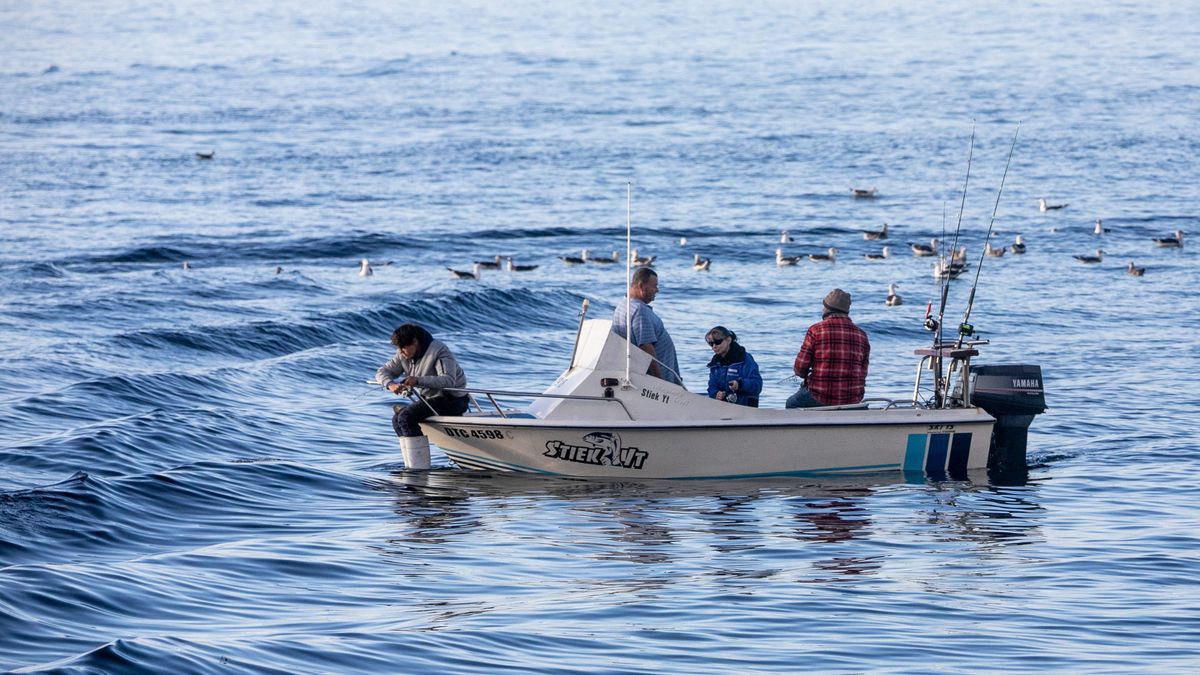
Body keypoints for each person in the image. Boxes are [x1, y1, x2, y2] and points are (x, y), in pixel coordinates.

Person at [375, 323, 470, 468]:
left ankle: (419, 470)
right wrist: (390, 384)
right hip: (430, 399)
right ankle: (412, 465)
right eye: (398, 349)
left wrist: (418, 380)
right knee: (397, 419)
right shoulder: (403, 354)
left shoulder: (439, 351)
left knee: (406, 417)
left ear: (414, 341)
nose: (400, 352)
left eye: (403, 348)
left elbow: (449, 380)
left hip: (452, 399)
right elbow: (382, 372)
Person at [786, 288, 870, 409]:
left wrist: (803, 374)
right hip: (852, 398)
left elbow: (800, 367)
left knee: (791, 404)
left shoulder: (816, 330)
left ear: (827, 309)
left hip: (820, 395)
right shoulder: (861, 334)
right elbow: (863, 372)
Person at [612, 266, 682, 386]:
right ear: (641, 285)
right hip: (657, 384)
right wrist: (661, 384)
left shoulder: (623, 305)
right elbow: (646, 349)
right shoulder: (639, 311)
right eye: (654, 285)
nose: (657, 290)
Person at [705, 326, 762, 407]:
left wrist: (740, 384)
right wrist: (716, 394)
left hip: (747, 410)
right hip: (723, 409)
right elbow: (712, 386)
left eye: (718, 342)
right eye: (711, 344)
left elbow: (757, 385)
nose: (714, 346)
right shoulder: (715, 364)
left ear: (728, 340)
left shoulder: (745, 359)